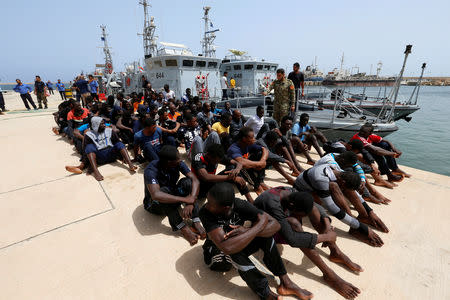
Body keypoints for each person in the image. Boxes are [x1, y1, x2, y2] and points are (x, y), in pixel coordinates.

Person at [199, 182, 313, 300]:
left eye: (211, 203)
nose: (207, 205)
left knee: (267, 238)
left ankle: (286, 283)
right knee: (234, 252)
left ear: (226, 207)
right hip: (216, 255)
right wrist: (256, 228)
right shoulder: (205, 213)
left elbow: (275, 225)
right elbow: (227, 247)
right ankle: (264, 292)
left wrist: (247, 230)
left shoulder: (238, 204)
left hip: (237, 243)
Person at [254, 188, 362, 299]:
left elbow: (315, 206)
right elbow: (293, 239)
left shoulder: (292, 193)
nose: (302, 218)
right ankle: (329, 275)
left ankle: (335, 251)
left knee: (313, 209)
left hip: (280, 217)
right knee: (295, 224)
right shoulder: (273, 204)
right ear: (291, 206)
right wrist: (326, 236)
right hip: (262, 229)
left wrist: (327, 227)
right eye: (301, 215)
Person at [294, 164, 385, 247]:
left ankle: (358, 221)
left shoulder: (339, 172)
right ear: (343, 183)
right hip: (302, 194)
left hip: (315, 187)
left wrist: (370, 211)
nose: (343, 191)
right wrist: (363, 228)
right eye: (344, 188)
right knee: (321, 215)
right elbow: (334, 210)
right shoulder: (321, 179)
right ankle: (351, 230)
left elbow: (354, 193)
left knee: (335, 186)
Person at [144, 145, 205, 245]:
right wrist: (185, 200)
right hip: (155, 204)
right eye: (178, 158)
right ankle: (183, 227)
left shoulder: (177, 163)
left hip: (172, 194)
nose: (180, 160)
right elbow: (156, 195)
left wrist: (191, 201)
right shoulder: (151, 170)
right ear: (169, 162)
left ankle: (196, 220)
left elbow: (195, 180)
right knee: (162, 192)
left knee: (187, 182)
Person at [83, 117, 136, 181]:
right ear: (96, 125)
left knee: (119, 144)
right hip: (99, 157)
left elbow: (117, 142)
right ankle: (96, 172)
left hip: (111, 155)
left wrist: (121, 156)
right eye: (101, 124)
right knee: (89, 147)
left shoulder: (110, 131)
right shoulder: (89, 135)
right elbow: (86, 151)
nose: (104, 125)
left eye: (104, 123)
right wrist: (86, 163)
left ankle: (130, 164)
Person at [227, 127, 269, 195]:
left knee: (260, 154)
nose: (254, 139)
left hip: (246, 166)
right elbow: (241, 162)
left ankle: (260, 182)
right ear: (244, 139)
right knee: (243, 165)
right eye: (252, 137)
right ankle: (257, 187)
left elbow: (265, 149)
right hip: (234, 173)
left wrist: (262, 160)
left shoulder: (248, 144)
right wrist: (259, 164)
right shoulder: (234, 149)